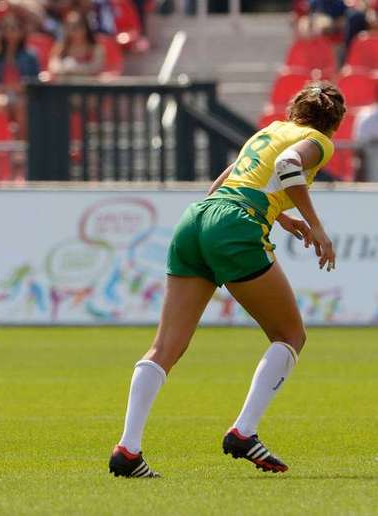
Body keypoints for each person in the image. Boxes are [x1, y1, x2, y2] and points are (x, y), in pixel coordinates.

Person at [108, 81, 345, 478]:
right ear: (334, 124)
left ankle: (128, 450)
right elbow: (288, 166)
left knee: (165, 347)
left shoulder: (269, 130)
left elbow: (229, 178)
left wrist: (281, 216)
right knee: (290, 335)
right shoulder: (317, 141)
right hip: (234, 225)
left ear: (293, 110)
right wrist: (316, 226)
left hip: (198, 217)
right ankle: (243, 431)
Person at [0, 12, 39, 136]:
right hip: (1, 95)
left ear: (21, 32)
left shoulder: (31, 56)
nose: (10, 33)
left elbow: (36, 82)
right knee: (1, 104)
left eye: (14, 29)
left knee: (21, 105)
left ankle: (23, 144)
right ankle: (3, 146)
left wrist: (23, 86)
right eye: (7, 29)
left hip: (23, 96)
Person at [47, 10, 105, 79]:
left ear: (86, 28)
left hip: (88, 87)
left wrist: (75, 68)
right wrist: (67, 68)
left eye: (78, 27)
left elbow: (96, 68)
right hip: (65, 86)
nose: (74, 31)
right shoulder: (60, 48)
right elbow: (53, 67)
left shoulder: (96, 49)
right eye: (71, 28)